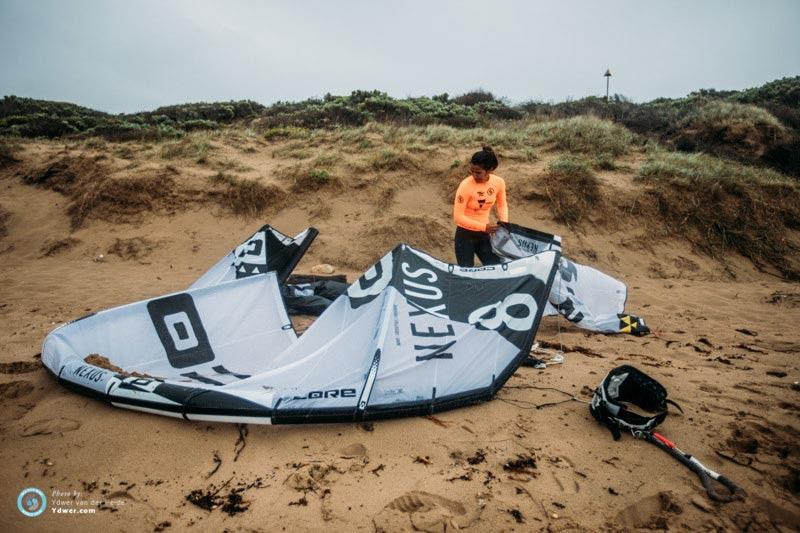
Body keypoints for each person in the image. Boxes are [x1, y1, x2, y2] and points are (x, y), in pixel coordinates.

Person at [452, 146, 508, 267]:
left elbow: (502, 204)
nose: (473, 174)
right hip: (464, 235)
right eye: (472, 171)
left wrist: (504, 223)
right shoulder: (465, 185)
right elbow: (458, 217)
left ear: (490, 170)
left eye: (478, 172)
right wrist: (483, 227)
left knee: (496, 269)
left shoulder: (498, 182)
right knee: (466, 274)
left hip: (484, 236)